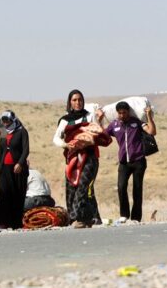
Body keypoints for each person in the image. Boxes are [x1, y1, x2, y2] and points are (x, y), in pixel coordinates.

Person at [54, 90, 111, 228]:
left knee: (83, 185)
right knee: (71, 187)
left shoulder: (89, 116)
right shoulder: (65, 120)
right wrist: (66, 145)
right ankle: (91, 218)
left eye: (80, 99)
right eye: (74, 100)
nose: (77, 102)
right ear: (70, 102)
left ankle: (75, 218)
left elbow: (99, 132)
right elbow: (56, 138)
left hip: (90, 156)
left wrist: (100, 121)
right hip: (73, 158)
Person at [99, 101, 156, 223]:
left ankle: (136, 218)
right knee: (121, 187)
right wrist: (99, 120)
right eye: (120, 113)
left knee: (137, 189)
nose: (122, 115)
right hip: (124, 162)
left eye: (124, 113)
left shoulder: (136, 122)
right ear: (117, 113)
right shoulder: (114, 125)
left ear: (128, 112)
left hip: (139, 161)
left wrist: (149, 116)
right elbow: (103, 134)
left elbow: (152, 132)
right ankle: (124, 214)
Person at [0, 111, 29, 229]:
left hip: (18, 169)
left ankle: (16, 222)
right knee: (4, 194)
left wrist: (20, 163)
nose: (5, 123)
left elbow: (26, 149)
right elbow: (1, 152)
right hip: (5, 169)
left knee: (17, 194)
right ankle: (3, 222)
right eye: (3, 120)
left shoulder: (22, 131)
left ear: (12, 120)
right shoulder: (3, 133)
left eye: (7, 120)